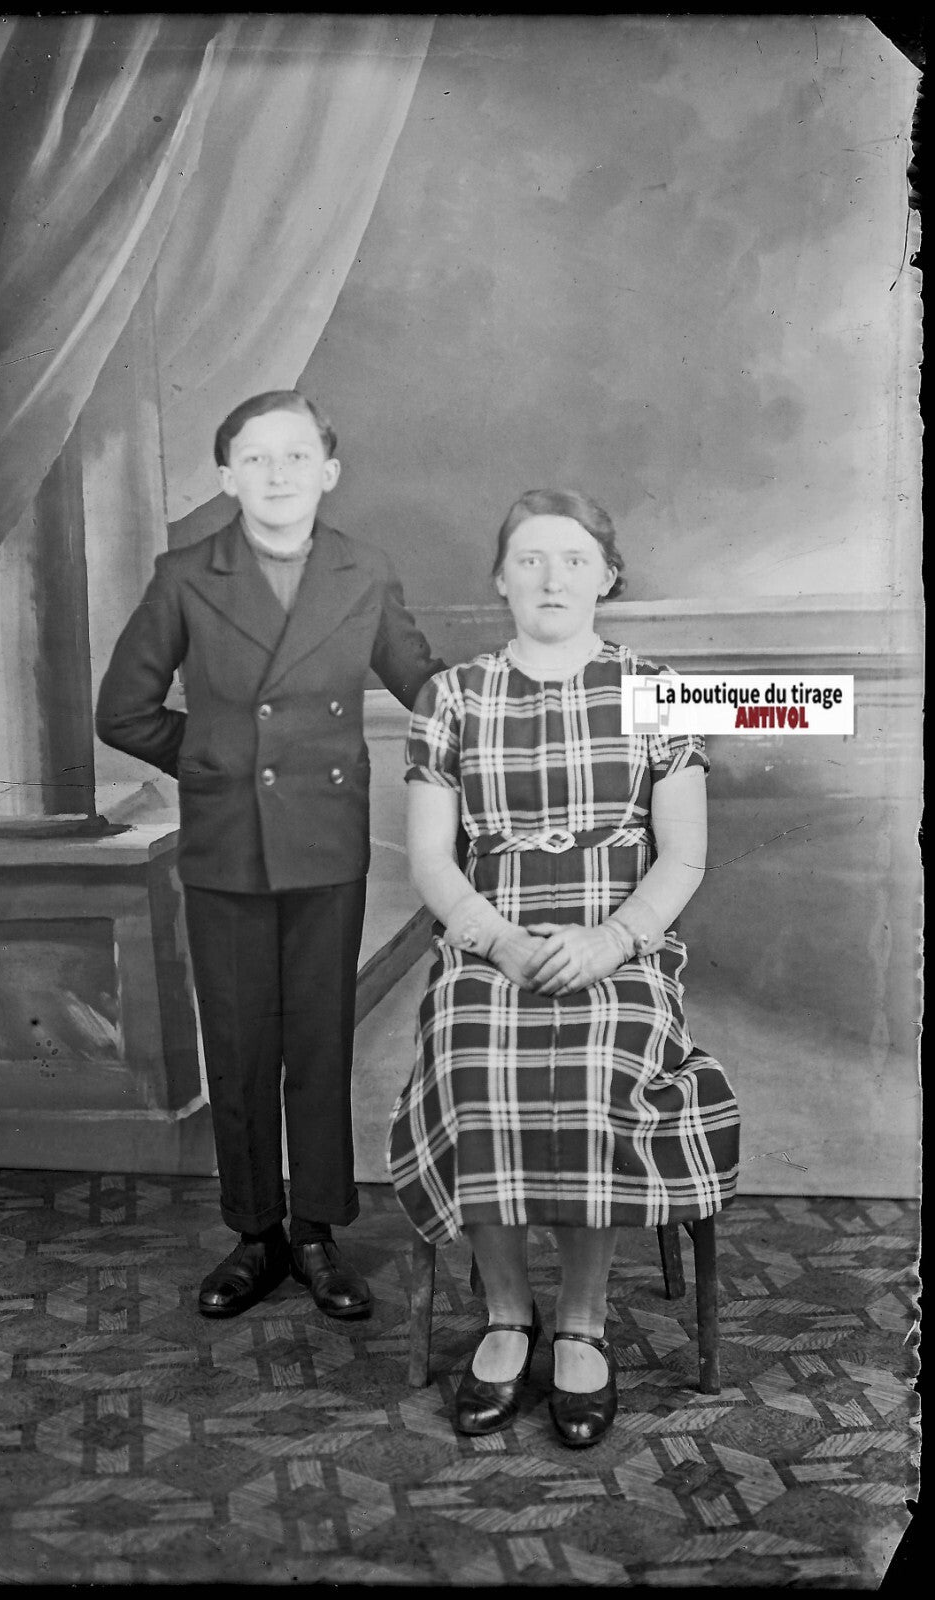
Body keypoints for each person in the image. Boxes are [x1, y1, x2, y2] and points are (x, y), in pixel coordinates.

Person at [388, 487, 739, 1448]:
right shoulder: (451, 696)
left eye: (574, 559)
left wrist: (611, 941)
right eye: (530, 559)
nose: (551, 578)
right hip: (490, 938)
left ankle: (581, 1322)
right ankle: (508, 1315)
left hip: (619, 943)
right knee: (468, 1057)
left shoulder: (658, 688)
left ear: (607, 577)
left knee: (597, 1066)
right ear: (500, 578)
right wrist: (496, 939)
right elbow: (431, 860)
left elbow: (683, 856)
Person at [96, 390, 444, 1323]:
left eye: (295, 456)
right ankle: (255, 1235)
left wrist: (532, 694)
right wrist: (218, 761)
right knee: (240, 1044)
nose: (277, 473)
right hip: (228, 845)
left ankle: (318, 1232)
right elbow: (121, 712)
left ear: (328, 471)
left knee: (319, 1042)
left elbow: (424, 686)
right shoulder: (184, 575)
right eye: (255, 458)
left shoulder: (364, 569)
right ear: (227, 478)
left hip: (325, 842)